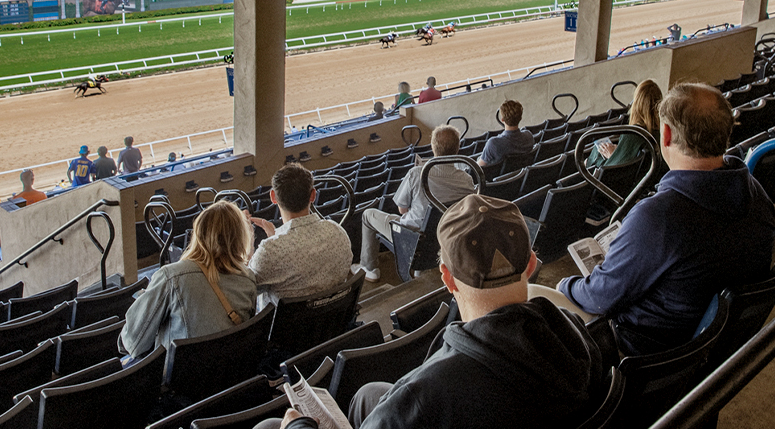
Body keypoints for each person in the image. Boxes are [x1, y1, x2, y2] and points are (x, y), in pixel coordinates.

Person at [261, 195, 606, 429]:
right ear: (531, 264)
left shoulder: (421, 399)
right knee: (368, 394)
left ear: (447, 278)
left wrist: (300, 425)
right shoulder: (577, 335)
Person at [549, 83, 775, 355]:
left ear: (665, 134)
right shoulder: (757, 194)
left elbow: (598, 297)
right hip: (707, 350)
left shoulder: (659, 216)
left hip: (642, 354)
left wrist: (564, 285)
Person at [119, 200, 257, 358]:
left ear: (198, 233)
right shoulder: (248, 279)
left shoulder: (171, 277)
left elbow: (133, 344)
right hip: (231, 373)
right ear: (241, 237)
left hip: (180, 378)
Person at [356, 125, 475, 282]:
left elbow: (402, 209)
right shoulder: (466, 180)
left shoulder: (417, 173)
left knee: (368, 215)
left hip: (412, 239)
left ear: (433, 147)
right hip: (448, 236)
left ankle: (369, 268)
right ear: (457, 148)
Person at [247, 164, 353, 308]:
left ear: (273, 197)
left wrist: (248, 241)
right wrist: (274, 236)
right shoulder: (338, 233)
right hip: (334, 324)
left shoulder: (270, 252)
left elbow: (245, 287)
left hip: (285, 329)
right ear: (313, 195)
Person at [586, 79, 663, 168]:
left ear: (636, 104)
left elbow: (613, 170)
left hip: (622, 178)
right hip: (647, 178)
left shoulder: (633, 134)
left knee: (595, 152)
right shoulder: (661, 133)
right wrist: (618, 152)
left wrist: (612, 156)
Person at [478, 100, 536, 167]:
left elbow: (478, 167)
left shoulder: (494, 144)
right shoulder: (529, 136)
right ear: (520, 118)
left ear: (502, 119)